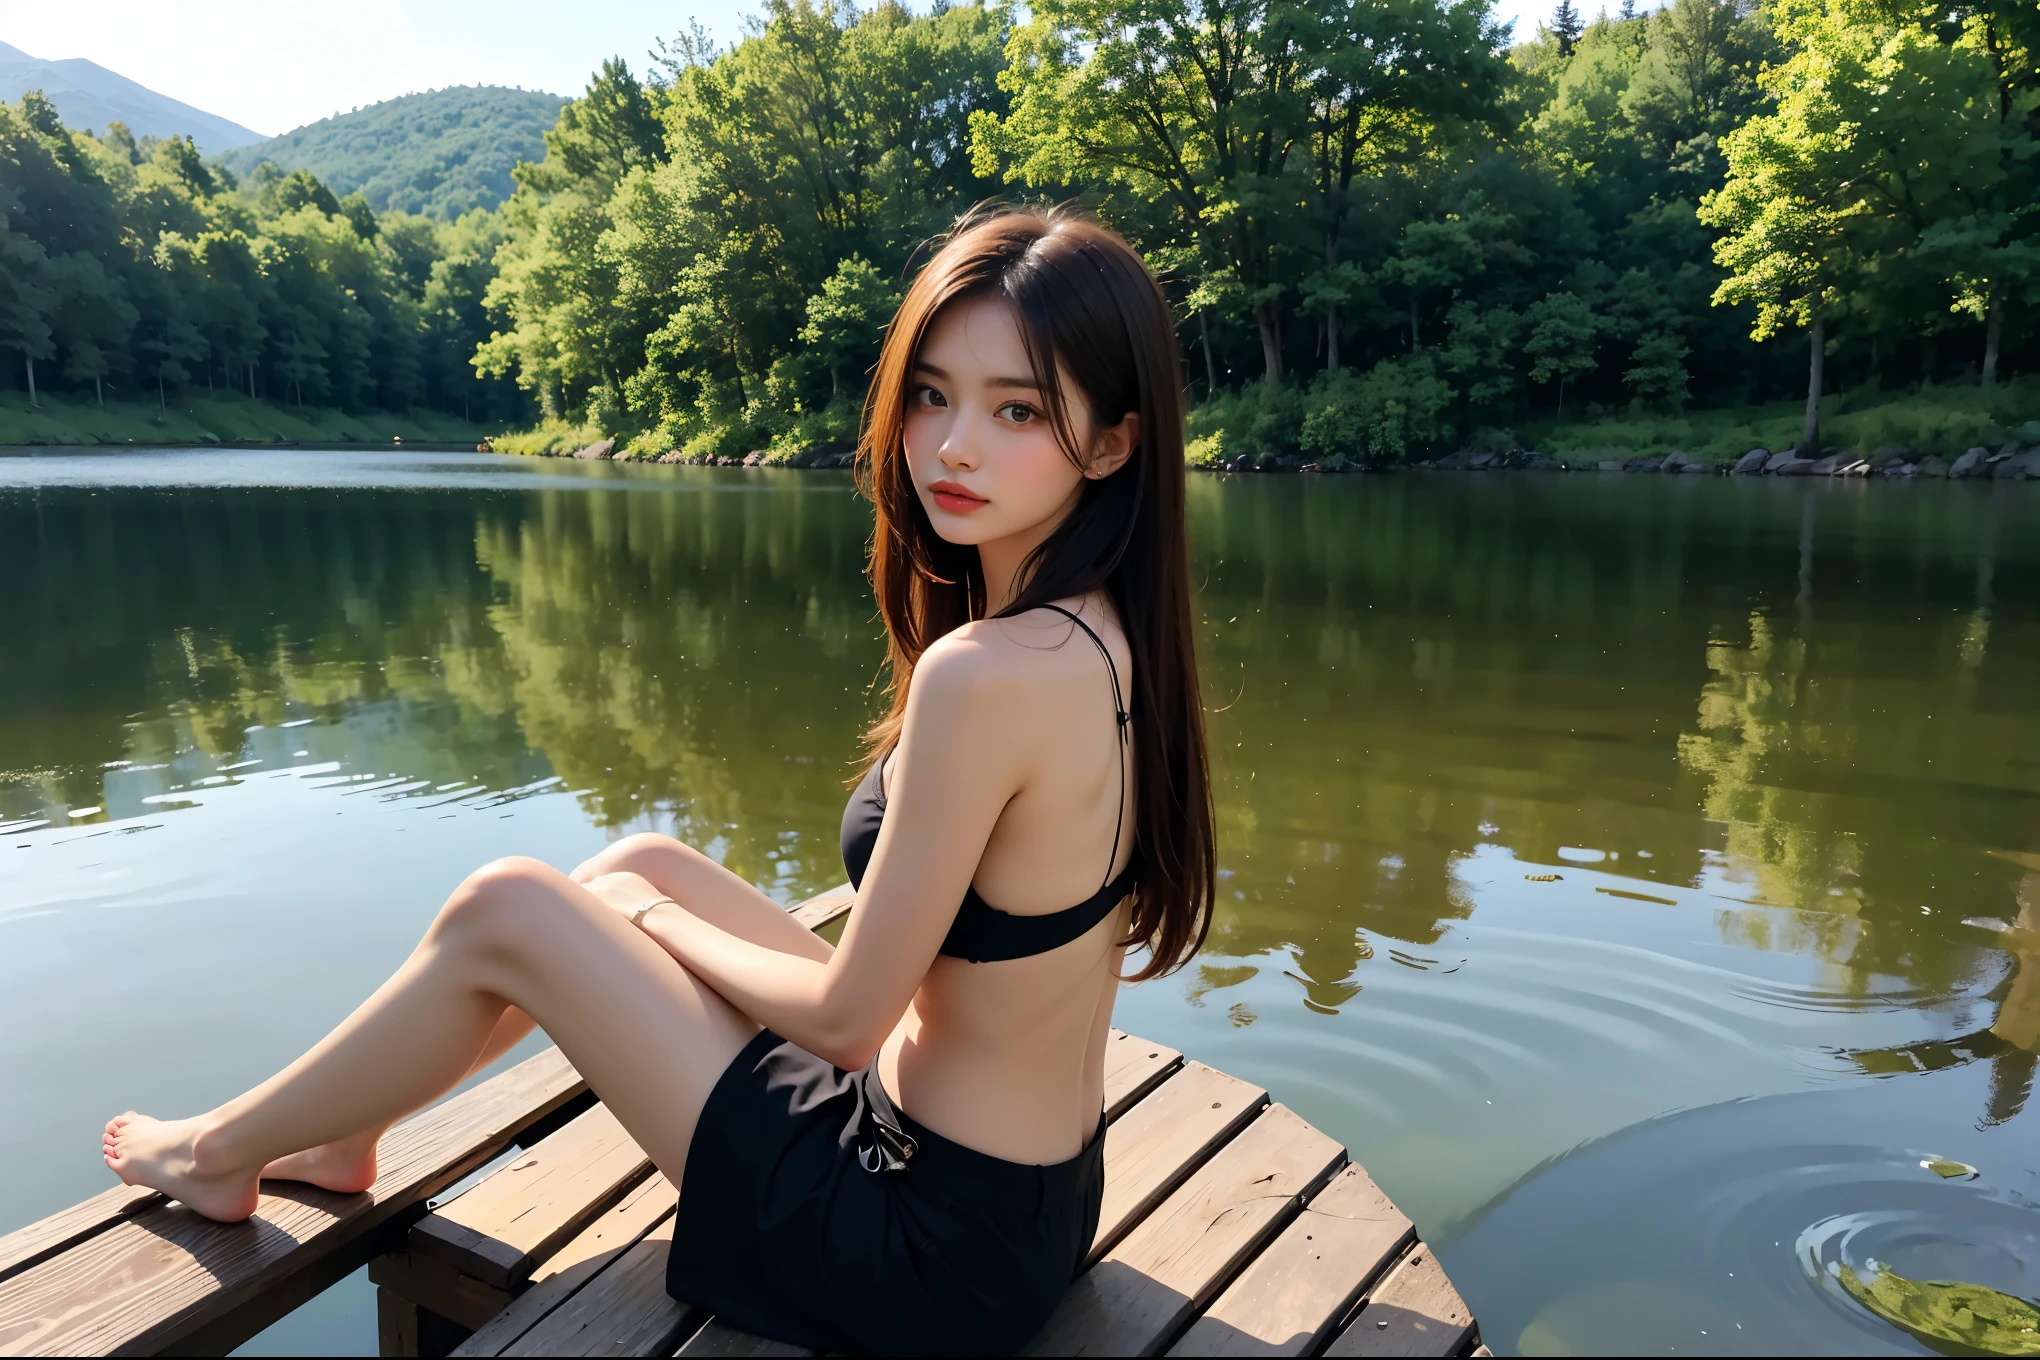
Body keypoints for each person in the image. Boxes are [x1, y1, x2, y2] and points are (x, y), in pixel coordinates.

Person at [100, 206, 1215, 1356]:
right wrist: (645, 901)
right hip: (1028, 1202)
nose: (952, 447)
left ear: (1114, 442)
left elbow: (843, 1020)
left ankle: (220, 1150)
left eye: (1016, 409)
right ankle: (343, 1132)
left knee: (513, 904)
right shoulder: (1105, 635)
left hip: (914, 1245)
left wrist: (637, 924)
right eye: (932, 393)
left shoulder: (984, 673)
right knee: (636, 859)